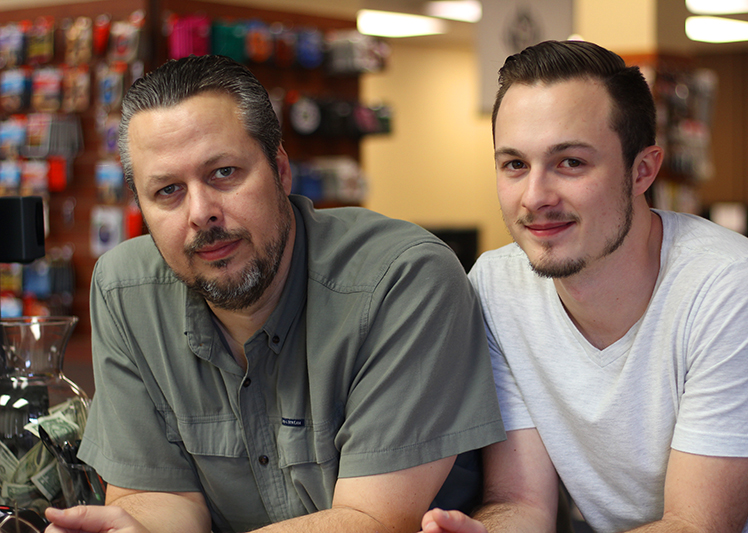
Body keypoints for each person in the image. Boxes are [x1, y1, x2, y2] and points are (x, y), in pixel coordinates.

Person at [44, 54, 506, 533]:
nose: (201, 212)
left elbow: (371, 521)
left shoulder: (403, 280)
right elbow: (157, 497)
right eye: (167, 191)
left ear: (281, 171)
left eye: (224, 172)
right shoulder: (125, 291)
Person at [420, 40, 748, 533]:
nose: (535, 197)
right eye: (515, 164)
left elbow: (694, 525)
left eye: (570, 162)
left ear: (643, 171)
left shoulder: (733, 289)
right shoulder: (496, 286)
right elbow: (522, 500)